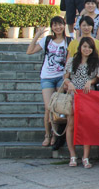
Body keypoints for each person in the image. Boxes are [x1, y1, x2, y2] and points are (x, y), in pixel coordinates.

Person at [26, 16, 69, 147]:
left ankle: (55, 135)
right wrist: (37, 35)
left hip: (61, 77)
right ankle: (47, 134)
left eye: (60, 24)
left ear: (64, 25)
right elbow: (29, 51)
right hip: (47, 77)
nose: (58, 27)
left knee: (57, 107)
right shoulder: (47, 40)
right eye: (55, 25)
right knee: (48, 107)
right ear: (52, 27)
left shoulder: (68, 41)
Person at [64, 37, 99, 168]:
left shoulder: (95, 62)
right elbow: (66, 77)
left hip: (88, 97)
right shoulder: (72, 61)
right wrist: (69, 83)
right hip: (74, 95)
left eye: (89, 47)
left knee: (86, 126)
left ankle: (85, 156)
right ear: (80, 47)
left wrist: (91, 81)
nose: (87, 49)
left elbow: (97, 78)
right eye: (84, 46)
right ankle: (72, 155)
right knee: (71, 125)